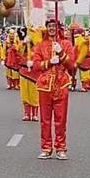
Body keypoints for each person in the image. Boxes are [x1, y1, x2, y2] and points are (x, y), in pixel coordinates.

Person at [31, 18, 77, 160]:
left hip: (61, 84)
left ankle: (61, 147)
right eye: (49, 26)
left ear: (58, 28)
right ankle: (46, 147)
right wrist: (49, 62)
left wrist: (61, 54)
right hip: (45, 86)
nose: (52, 29)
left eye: (54, 26)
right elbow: (35, 65)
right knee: (45, 120)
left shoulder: (66, 44)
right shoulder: (40, 46)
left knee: (61, 119)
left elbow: (72, 66)